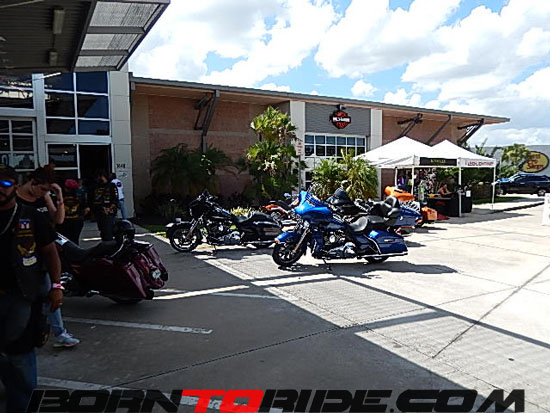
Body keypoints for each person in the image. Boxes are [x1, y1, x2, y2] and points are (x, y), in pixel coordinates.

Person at [0, 164, 64, 412]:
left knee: (20, 352)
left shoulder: (31, 216)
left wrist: (56, 286)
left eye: (5, 184)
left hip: (22, 295)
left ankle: (22, 404)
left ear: (15, 187)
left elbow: (51, 253)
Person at [16, 166, 80, 349]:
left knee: (50, 293)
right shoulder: (15, 199)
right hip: (22, 256)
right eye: (43, 189)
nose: (44, 193)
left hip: (43, 254)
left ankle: (59, 333)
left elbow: (59, 220)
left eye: (47, 190)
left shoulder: (43, 197)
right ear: (32, 183)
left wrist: (58, 197)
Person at [57, 179, 89, 245]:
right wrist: (81, 216)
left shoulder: (61, 196)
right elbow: (87, 209)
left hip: (65, 221)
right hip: (76, 221)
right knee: (74, 241)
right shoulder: (79, 196)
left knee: (64, 242)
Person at [92, 170, 118, 241]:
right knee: (102, 229)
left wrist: (109, 208)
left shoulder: (111, 186)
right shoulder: (96, 186)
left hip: (108, 211)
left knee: (108, 230)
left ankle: (109, 243)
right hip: (99, 211)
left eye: (100, 177)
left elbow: (115, 199)